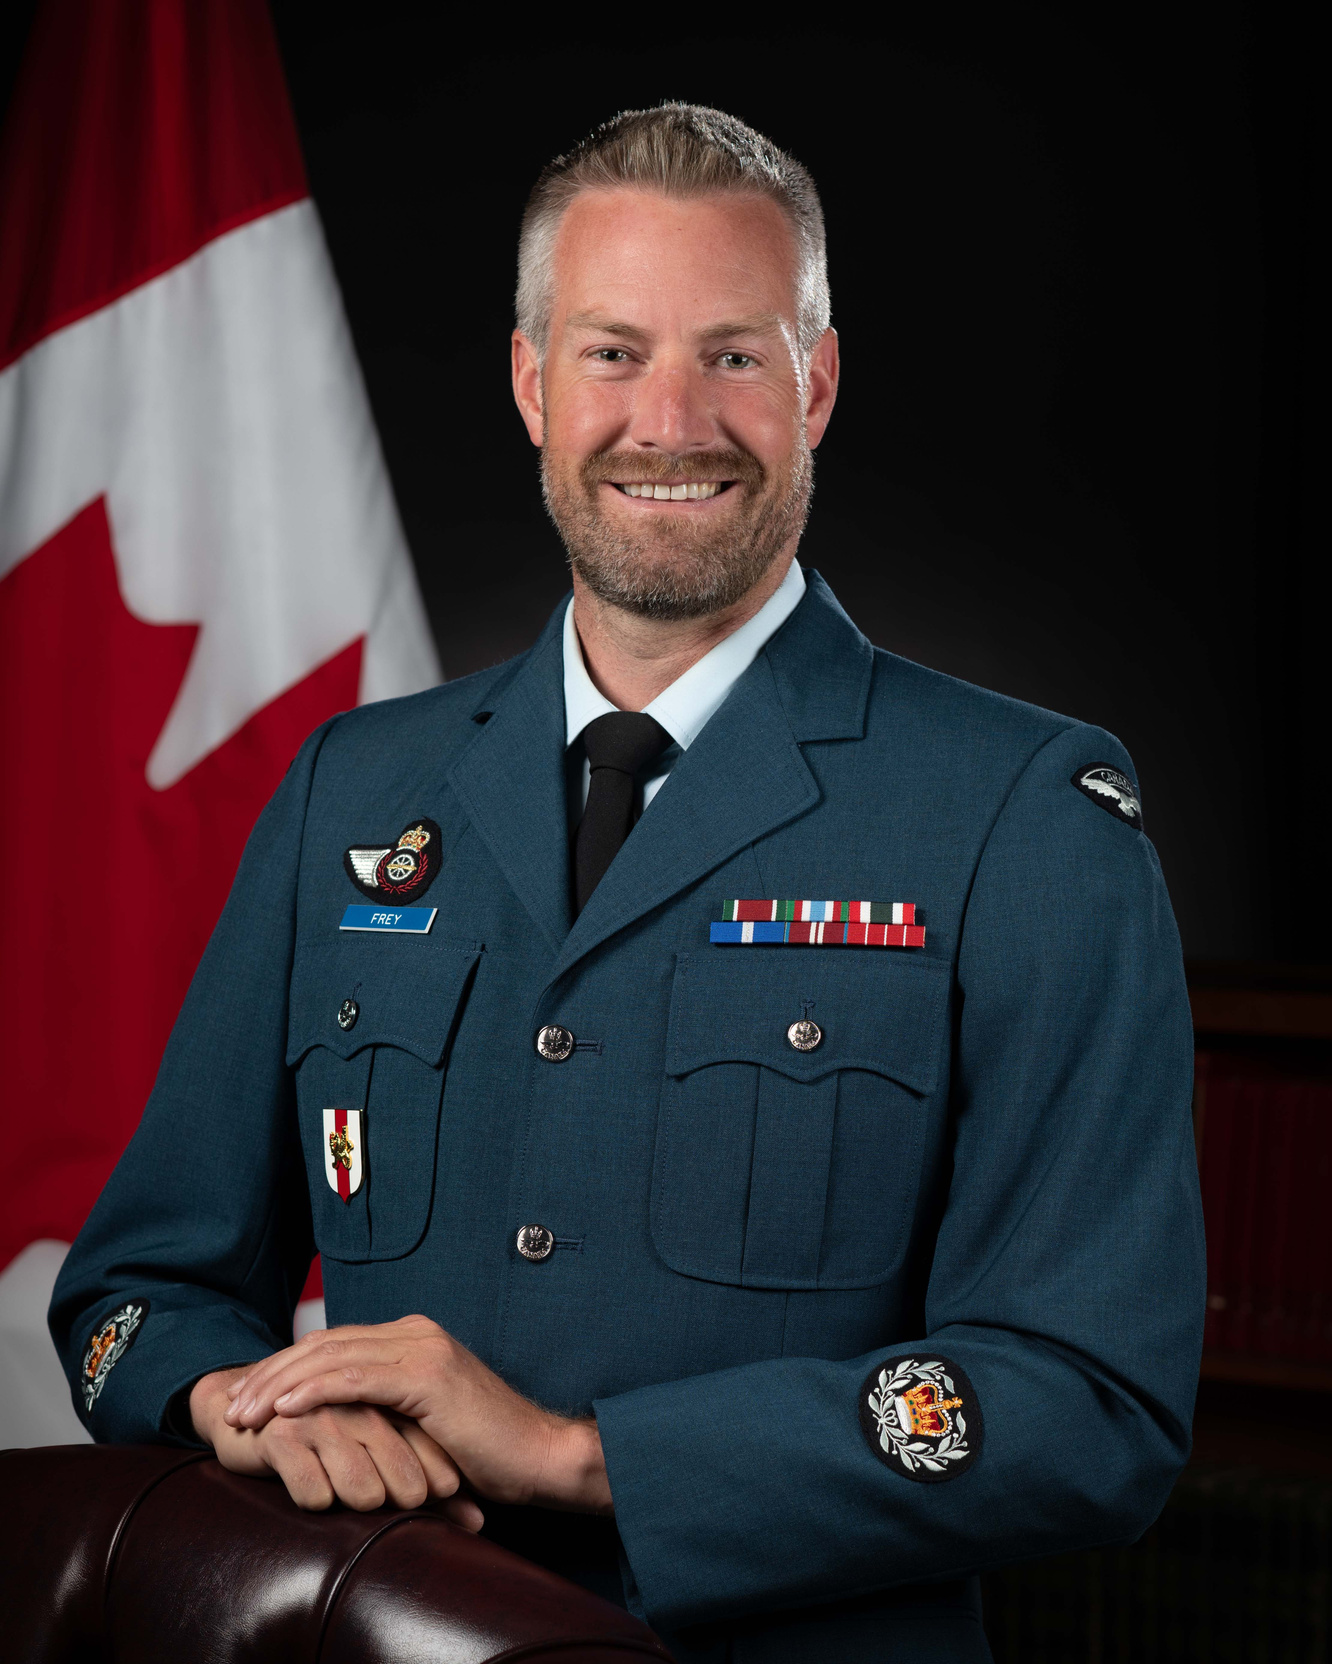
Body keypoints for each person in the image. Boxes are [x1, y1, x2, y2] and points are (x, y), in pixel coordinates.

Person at [51, 104, 1204, 1663]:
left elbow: (1092, 1403)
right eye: (611, 353)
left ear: (820, 383)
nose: (669, 420)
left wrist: (577, 1457)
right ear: (533, 383)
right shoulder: (356, 789)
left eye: (734, 353)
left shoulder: (1021, 812)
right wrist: (242, 1406)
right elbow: (141, 1284)